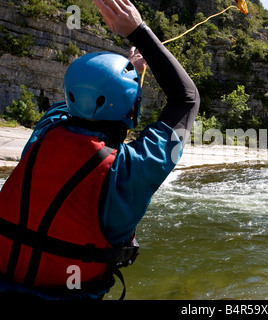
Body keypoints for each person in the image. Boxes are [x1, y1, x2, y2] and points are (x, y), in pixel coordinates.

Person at [0, 0, 199, 300]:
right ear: (131, 110)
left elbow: (83, 102)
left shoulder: (46, 130)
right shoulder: (126, 171)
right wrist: (138, 31)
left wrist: (125, 70)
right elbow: (186, 100)